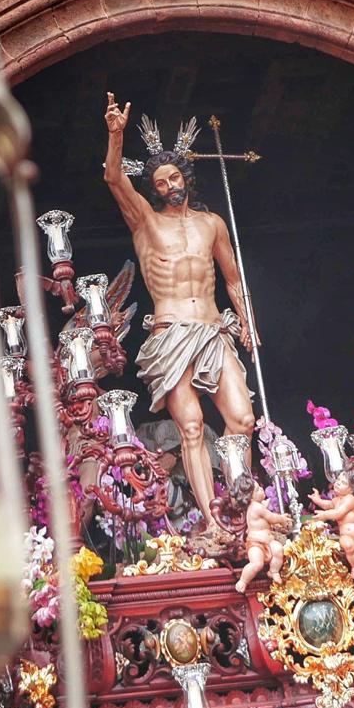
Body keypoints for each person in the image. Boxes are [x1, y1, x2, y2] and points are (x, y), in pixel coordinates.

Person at [101, 93, 258, 526]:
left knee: (242, 419)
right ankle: (216, 521)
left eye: (174, 179)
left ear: (185, 177)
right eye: (160, 183)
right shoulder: (146, 222)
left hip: (212, 328)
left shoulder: (212, 224)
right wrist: (116, 137)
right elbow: (115, 179)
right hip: (170, 332)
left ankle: (243, 505)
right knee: (190, 427)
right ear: (152, 190)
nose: (169, 187)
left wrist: (247, 321)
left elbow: (231, 277)